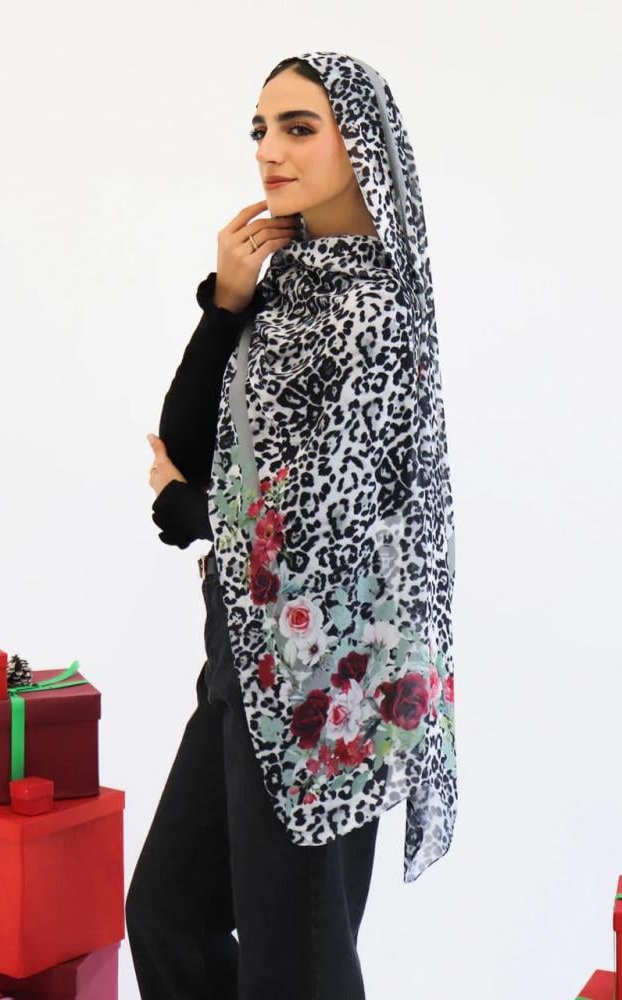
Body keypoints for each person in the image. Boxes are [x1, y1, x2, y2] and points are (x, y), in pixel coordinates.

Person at [127, 50, 457, 1000]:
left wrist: (184, 507)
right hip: (243, 655)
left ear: (364, 147)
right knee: (168, 913)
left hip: (329, 687)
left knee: (294, 967)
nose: (269, 151)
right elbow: (185, 440)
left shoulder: (373, 313)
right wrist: (226, 300)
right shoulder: (286, 288)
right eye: (260, 130)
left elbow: (316, 520)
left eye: (299, 128)